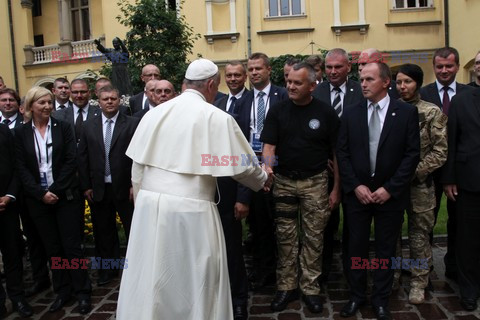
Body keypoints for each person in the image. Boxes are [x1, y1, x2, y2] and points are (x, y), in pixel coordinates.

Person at [116, 58, 271, 320]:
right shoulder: (216, 117)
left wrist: (143, 202)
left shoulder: (154, 113)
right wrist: (262, 178)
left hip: (150, 206)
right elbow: (241, 167)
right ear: (211, 85)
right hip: (193, 209)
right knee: (197, 276)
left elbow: (137, 168)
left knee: (153, 274)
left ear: (185, 83)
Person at [337, 62, 420, 320]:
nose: (362, 84)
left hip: (389, 197)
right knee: (356, 248)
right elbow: (343, 153)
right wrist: (355, 185)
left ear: (386, 82)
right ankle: (356, 295)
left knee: (386, 250)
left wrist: (390, 189)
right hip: (358, 195)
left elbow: (411, 155)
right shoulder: (350, 113)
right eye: (361, 79)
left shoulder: (405, 112)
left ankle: (381, 299)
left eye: (369, 79)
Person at [262, 62, 340, 313]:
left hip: (315, 183)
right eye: (289, 82)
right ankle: (286, 287)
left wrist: (337, 188)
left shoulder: (326, 113)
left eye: (297, 83)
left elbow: (337, 153)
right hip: (283, 182)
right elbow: (269, 147)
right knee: (285, 237)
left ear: (312, 86)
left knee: (314, 238)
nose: (291, 86)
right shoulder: (277, 111)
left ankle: (310, 289)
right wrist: (268, 169)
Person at [14, 87, 92, 314]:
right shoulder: (20, 133)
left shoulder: (63, 128)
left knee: (72, 247)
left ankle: (82, 291)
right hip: (38, 200)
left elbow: (71, 160)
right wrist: (40, 193)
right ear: (31, 106)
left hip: (64, 196)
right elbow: (21, 167)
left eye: (49, 102)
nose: (48, 106)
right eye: (42, 103)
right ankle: (63, 290)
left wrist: (54, 190)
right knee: (53, 248)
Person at [419, 46, 474, 281]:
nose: (444, 70)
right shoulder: (423, 93)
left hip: (460, 170)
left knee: (458, 221)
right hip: (429, 170)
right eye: (439, 66)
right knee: (424, 223)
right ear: (434, 67)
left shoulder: (468, 93)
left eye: (448, 66)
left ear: (458, 67)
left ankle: (453, 265)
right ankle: (424, 267)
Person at [234, 52, 288, 290]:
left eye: (258, 68)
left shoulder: (283, 96)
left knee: (281, 222)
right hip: (252, 166)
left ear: (268, 70)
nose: (254, 73)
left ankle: (283, 270)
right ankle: (261, 269)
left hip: (280, 166)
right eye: (251, 69)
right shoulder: (242, 101)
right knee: (257, 223)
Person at [396, 63, 448, 304]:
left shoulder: (431, 112)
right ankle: (394, 274)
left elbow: (439, 151)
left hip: (419, 184)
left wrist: (414, 171)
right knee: (391, 233)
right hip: (393, 185)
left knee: (419, 236)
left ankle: (419, 281)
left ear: (417, 83)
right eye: (398, 82)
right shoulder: (390, 109)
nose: (402, 86)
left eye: (407, 81)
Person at [77, 86, 139, 286]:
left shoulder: (131, 124)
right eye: (106, 99)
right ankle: (108, 269)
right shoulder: (88, 126)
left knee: (133, 230)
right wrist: (86, 185)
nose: (110, 102)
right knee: (103, 232)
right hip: (99, 188)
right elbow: (83, 157)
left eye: (113, 98)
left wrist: (134, 184)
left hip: (125, 188)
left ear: (119, 100)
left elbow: (137, 157)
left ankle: (136, 270)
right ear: (99, 101)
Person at [312, 48, 364, 283]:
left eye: (338, 67)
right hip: (325, 168)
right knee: (325, 223)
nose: (332, 71)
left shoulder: (360, 91)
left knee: (354, 225)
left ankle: (352, 271)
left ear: (348, 68)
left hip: (356, 169)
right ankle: (323, 271)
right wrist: (324, 157)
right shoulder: (316, 91)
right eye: (329, 67)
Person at [213, 60, 250, 320]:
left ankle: (239, 300)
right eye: (230, 75)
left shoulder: (247, 108)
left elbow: (244, 157)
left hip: (229, 194)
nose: (233, 79)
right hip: (204, 197)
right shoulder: (213, 107)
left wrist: (243, 196)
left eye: (238, 74)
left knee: (233, 251)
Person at [442, 86, 480, 312]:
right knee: (468, 238)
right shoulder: (461, 101)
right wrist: (449, 178)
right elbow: (451, 142)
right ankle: (469, 289)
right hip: (469, 180)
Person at [0, 124, 34, 318]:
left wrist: (10, 195)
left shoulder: (4, 131)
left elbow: (16, 165)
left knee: (12, 253)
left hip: (7, 205)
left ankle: (17, 297)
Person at [53, 79, 100, 144]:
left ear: (89, 93)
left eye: (83, 92)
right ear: (70, 93)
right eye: (75, 92)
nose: (79, 95)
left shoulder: (100, 113)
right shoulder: (58, 115)